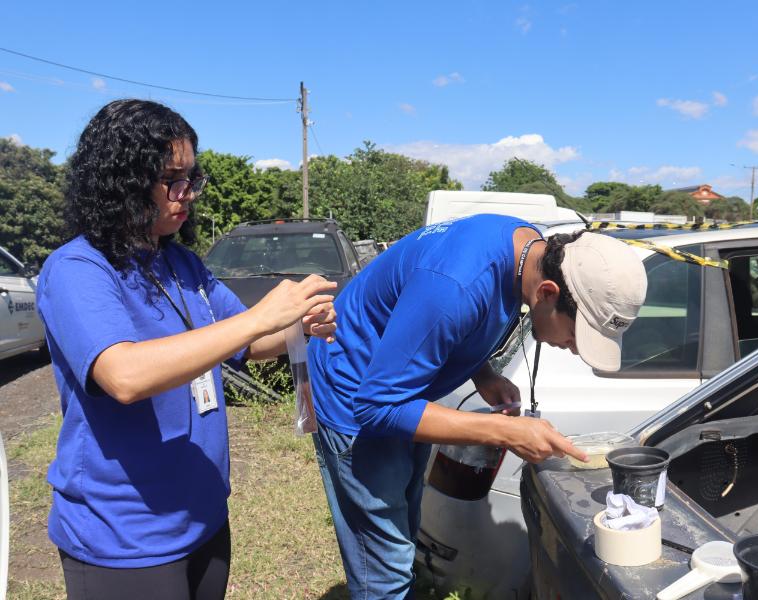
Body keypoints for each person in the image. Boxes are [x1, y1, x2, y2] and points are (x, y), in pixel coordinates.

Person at [36, 99, 337, 600]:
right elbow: (124, 375)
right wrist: (262, 315)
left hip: (201, 516)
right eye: (171, 180)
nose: (186, 195)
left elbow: (242, 340)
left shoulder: (181, 264)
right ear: (124, 182)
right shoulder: (78, 268)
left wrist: (296, 327)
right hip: (125, 535)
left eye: (192, 179)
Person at [307, 213, 648, 598]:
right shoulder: (454, 286)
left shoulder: (529, 249)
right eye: (575, 337)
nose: (572, 349)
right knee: (384, 567)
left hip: (403, 391)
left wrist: (481, 373)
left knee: (403, 532)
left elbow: (453, 320)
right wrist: (503, 430)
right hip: (355, 393)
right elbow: (378, 406)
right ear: (548, 293)